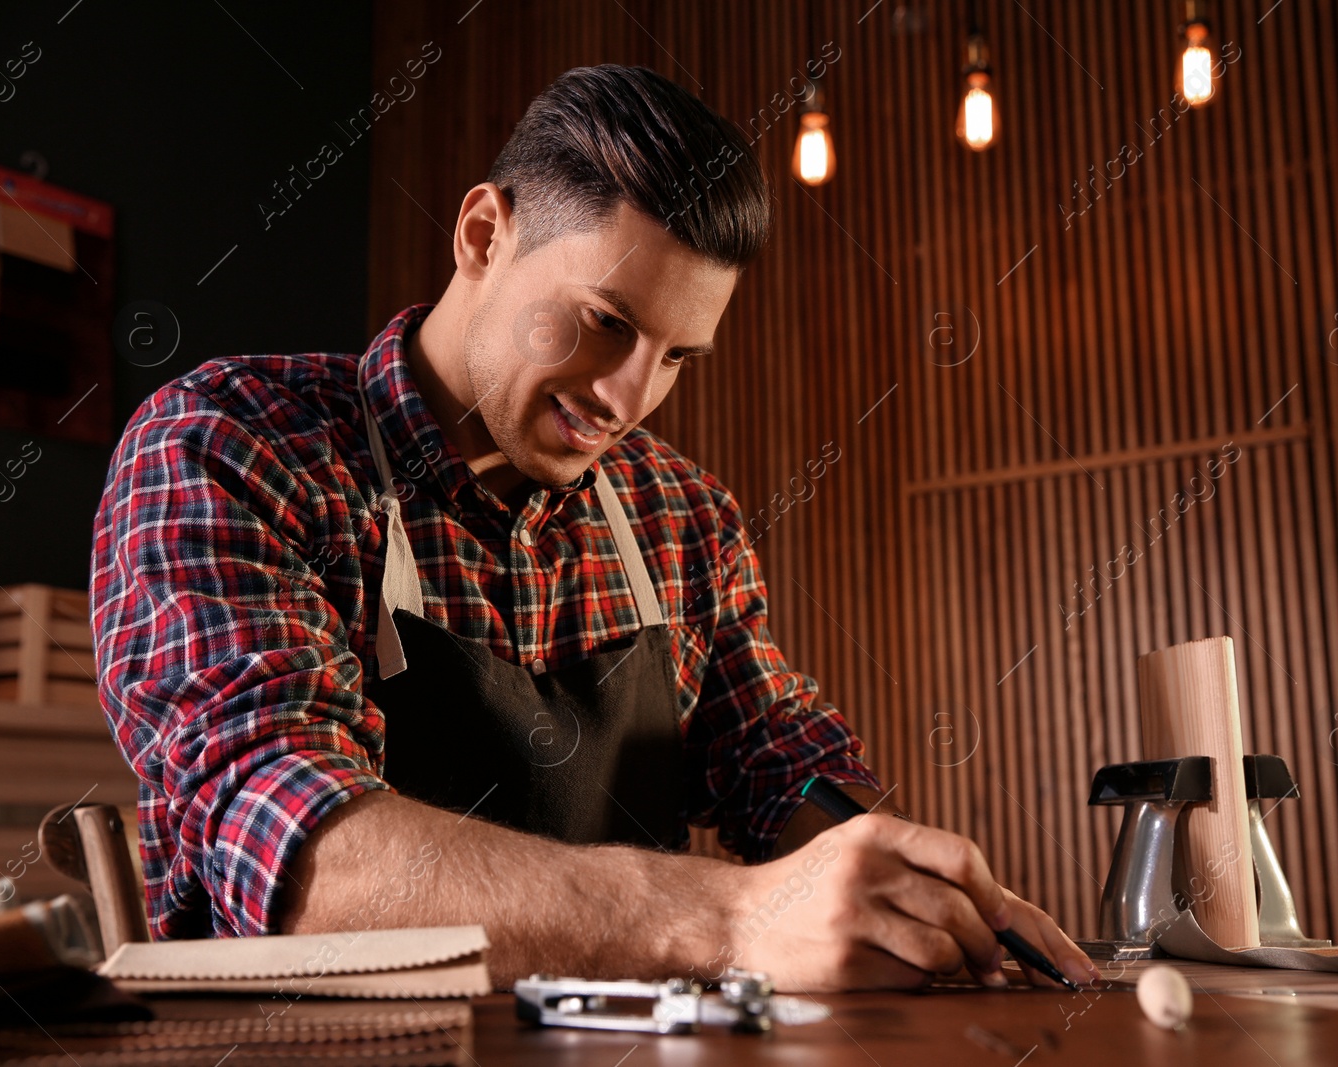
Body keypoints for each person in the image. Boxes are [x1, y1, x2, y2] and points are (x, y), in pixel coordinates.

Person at [89, 63, 1098, 993]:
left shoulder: (680, 515)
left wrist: (897, 879)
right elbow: (296, 852)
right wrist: (736, 919)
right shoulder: (233, 446)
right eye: (607, 320)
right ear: (484, 233)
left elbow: (776, 757)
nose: (628, 396)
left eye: (675, 356)